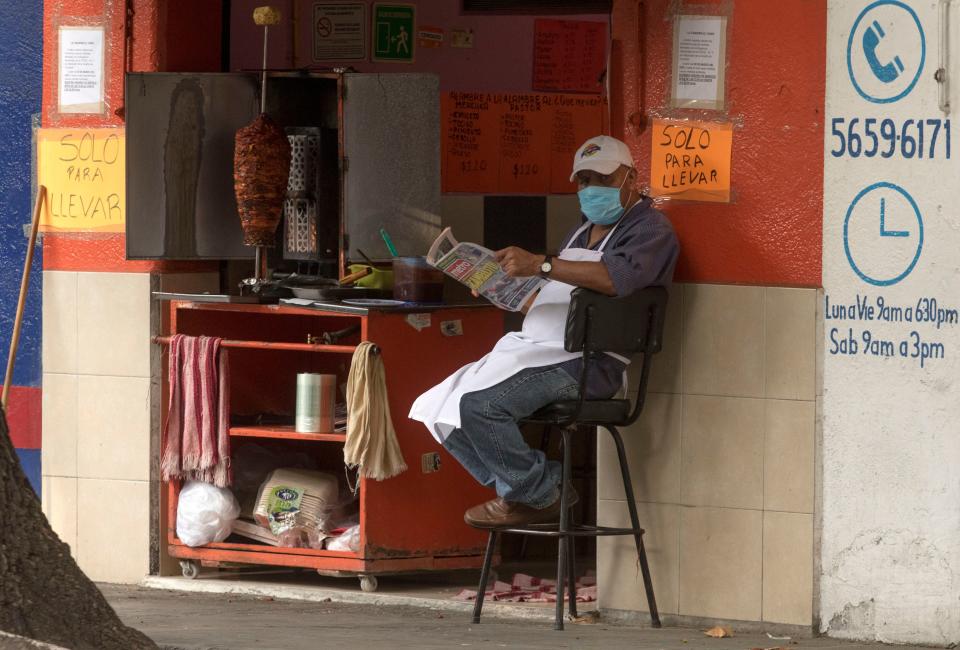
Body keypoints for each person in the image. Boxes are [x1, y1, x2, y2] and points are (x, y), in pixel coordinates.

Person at [409, 135, 679, 528]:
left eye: (602, 179)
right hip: (534, 348)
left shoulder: (651, 230)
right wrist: (497, 286)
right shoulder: (582, 229)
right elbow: (555, 295)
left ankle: (537, 492)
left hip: (586, 362)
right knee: (437, 408)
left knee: (481, 408)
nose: (591, 189)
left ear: (631, 178)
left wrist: (542, 265)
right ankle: (530, 490)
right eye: (583, 180)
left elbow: (615, 279)